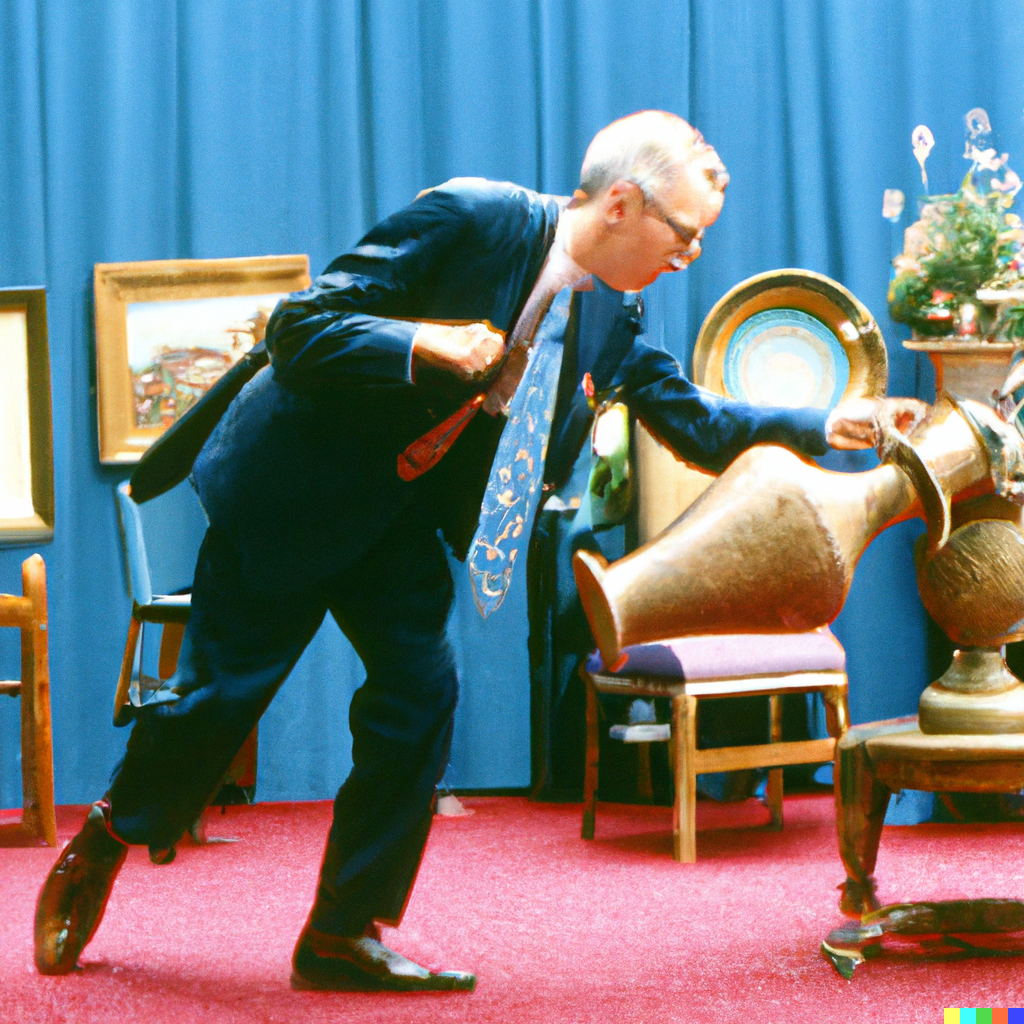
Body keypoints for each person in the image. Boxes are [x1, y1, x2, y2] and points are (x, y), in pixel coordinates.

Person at [34, 110, 919, 992]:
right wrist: (420, 341)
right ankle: (108, 838)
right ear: (621, 203)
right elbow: (301, 328)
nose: (689, 255)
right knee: (219, 703)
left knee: (420, 697)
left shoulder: (613, 314)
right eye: (683, 235)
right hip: (297, 493)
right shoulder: (473, 217)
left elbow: (690, 418)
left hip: (400, 520)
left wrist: (824, 425)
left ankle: (343, 932)